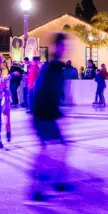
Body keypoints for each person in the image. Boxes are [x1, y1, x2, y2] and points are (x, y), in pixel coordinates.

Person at [30, 33, 73, 202]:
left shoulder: (56, 67)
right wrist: (48, 111)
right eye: (63, 46)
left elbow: (54, 90)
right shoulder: (51, 67)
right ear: (56, 47)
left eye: (66, 46)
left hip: (46, 113)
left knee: (59, 148)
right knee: (50, 150)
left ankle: (55, 182)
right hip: (43, 114)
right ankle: (37, 188)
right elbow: (42, 91)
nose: (65, 49)